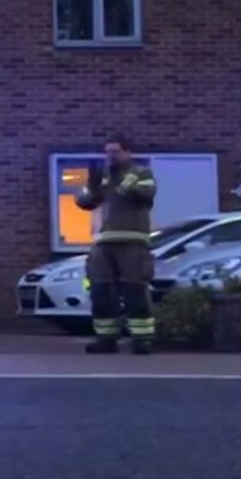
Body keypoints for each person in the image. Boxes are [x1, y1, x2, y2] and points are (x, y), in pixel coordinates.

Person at [75, 135, 157, 354]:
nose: (110, 156)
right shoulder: (101, 176)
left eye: (115, 151)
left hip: (132, 241)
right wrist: (91, 188)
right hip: (103, 243)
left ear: (128, 153)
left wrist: (123, 185)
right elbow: (84, 203)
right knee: (101, 292)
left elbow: (146, 195)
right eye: (107, 152)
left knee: (134, 291)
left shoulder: (141, 173)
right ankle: (106, 339)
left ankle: (142, 340)